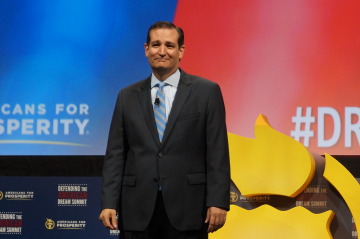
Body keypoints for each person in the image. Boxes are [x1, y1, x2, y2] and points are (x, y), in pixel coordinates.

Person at [99, 21, 230, 239]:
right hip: (137, 208)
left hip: (189, 208)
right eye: (156, 45)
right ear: (146, 49)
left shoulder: (206, 92)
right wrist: (109, 203)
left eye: (169, 46)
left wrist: (217, 201)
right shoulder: (127, 96)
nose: (162, 52)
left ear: (181, 51)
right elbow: (116, 155)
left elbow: (217, 152)